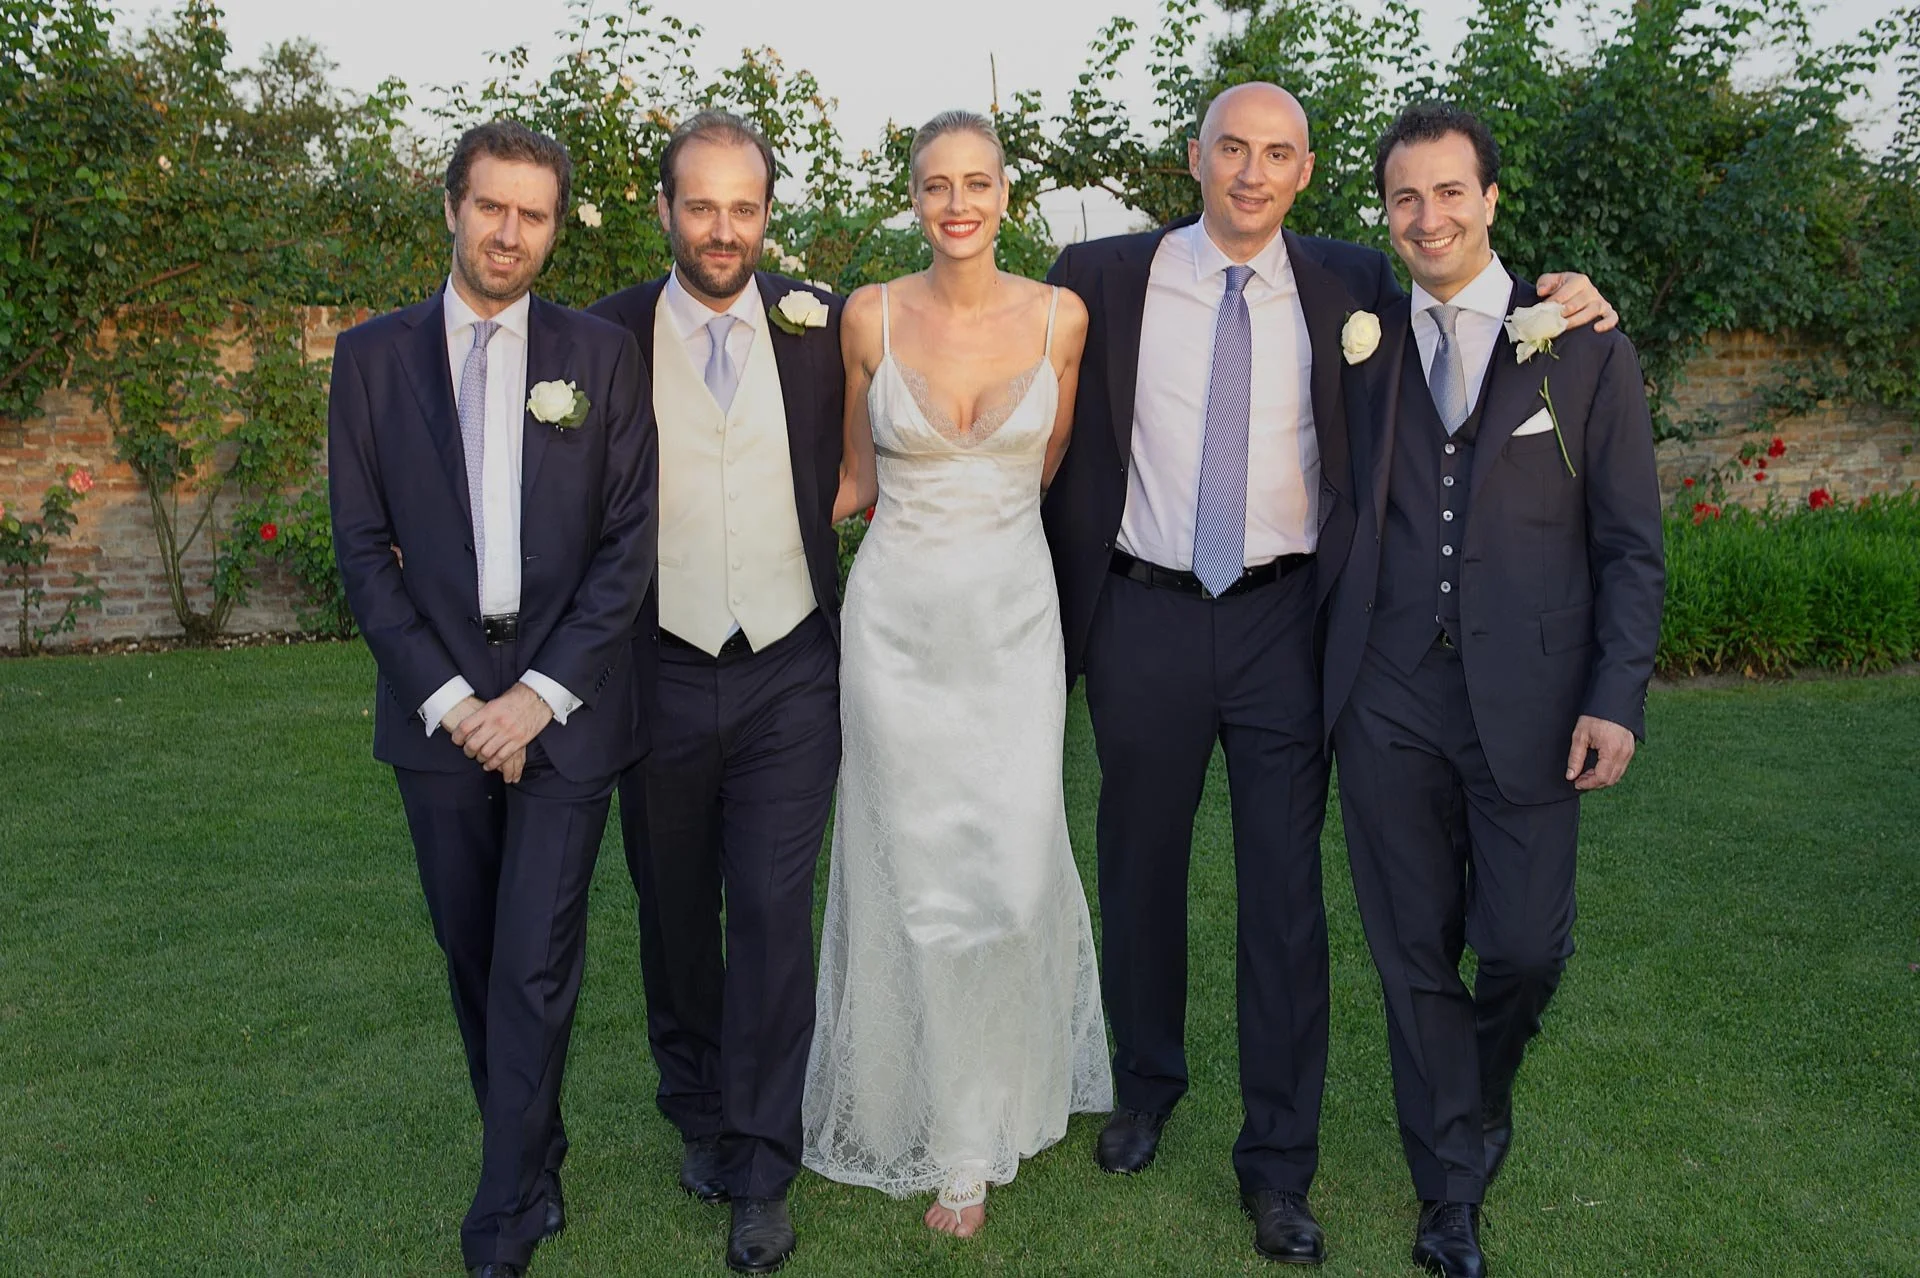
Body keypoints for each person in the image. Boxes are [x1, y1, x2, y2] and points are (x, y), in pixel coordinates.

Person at [1040, 81, 1617, 1265]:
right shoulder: (1095, 276)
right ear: (1194, 157)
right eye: (1233, 149)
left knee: (1283, 899)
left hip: (1288, 624)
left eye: (1280, 154)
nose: (1253, 173)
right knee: (1138, 863)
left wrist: (1573, 288)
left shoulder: (1354, 283)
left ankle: (1278, 1161)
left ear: (1306, 173)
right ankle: (1146, 1084)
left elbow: (1473, 283)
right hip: (1142, 611)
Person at [1320, 102, 1664, 1277]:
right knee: (1412, 951)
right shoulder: (1355, 334)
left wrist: (1615, 695)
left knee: (1522, 948)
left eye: (1451, 193)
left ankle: (1481, 1084)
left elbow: (1630, 545)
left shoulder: (1587, 346)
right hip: (1388, 694)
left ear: (1492, 201)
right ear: (1386, 210)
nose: (1429, 218)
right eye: (1406, 197)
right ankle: (1449, 1191)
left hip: (1535, 696)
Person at [327, 120, 656, 1278]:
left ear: (555, 228)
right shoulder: (370, 359)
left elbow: (626, 545)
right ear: (453, 209)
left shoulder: (600, 354)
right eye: (492, 208)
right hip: (438, 714)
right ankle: (537, 1145)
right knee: (472, 954)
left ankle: (504, 1212)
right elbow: (364, 554)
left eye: (534, 215)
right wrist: (462, 702)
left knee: (532, 958)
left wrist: (537, 700)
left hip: (566, 710)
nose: (510, 233)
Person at [801, 109, 1109, 1239]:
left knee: (1014, 868)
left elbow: (1048, 462)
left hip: (1015, 627)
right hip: (894, 634)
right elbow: (849, 476)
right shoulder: (867, 317)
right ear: (915, 197)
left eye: (977, 182)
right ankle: (948, 1139)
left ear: (1007, 192)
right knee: (918, 871)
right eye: (937, 184)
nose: (958, 203)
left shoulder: (1062, 319)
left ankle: (1004, 1088)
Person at [587, 111, 845, 1276]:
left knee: (776, 914)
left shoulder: (822, 324)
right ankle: (694, 1103)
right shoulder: (600, 339)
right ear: (665, 211)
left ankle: (760, 1162)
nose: (723, 229)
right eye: (702, 206)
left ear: (766, 213)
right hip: (657, 663)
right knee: (676, 908)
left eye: (744, 208)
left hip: (791, 663)